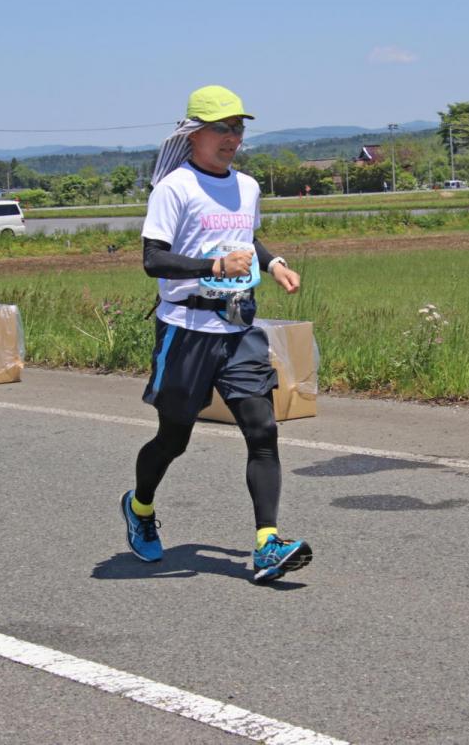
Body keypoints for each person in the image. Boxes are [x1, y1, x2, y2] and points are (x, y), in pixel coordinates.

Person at [121, 84, 312, 583]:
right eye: (222, 129)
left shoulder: (247, 186)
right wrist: (214, 265)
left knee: (262, 430)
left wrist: (275, 264)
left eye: (238, 128)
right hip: (186, 329)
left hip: (238, 326)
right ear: (193, 134)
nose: (233, 138)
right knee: (173, 438)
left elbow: (244, 237)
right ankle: (140, 507)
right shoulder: (174, 189)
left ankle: (267, 543)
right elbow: (153, 259)